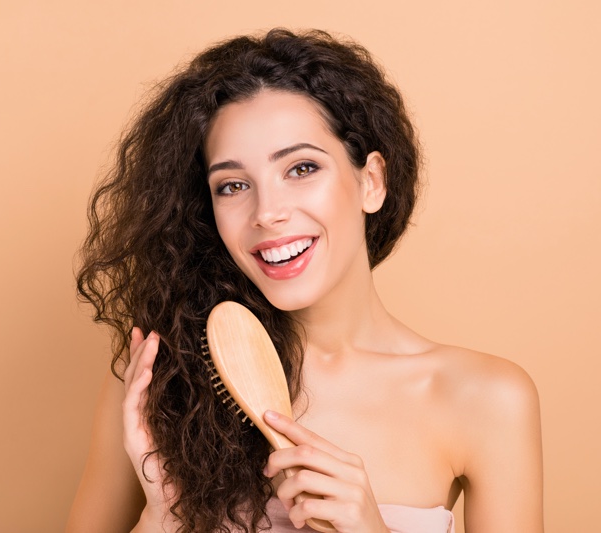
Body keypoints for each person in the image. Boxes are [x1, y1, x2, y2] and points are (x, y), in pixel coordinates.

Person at [66, 28, 543, 533]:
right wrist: (163, 516)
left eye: (301, 168)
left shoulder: (488, 398)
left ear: (372, 181)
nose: (267, 212)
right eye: (233, 185)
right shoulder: (159, 378)